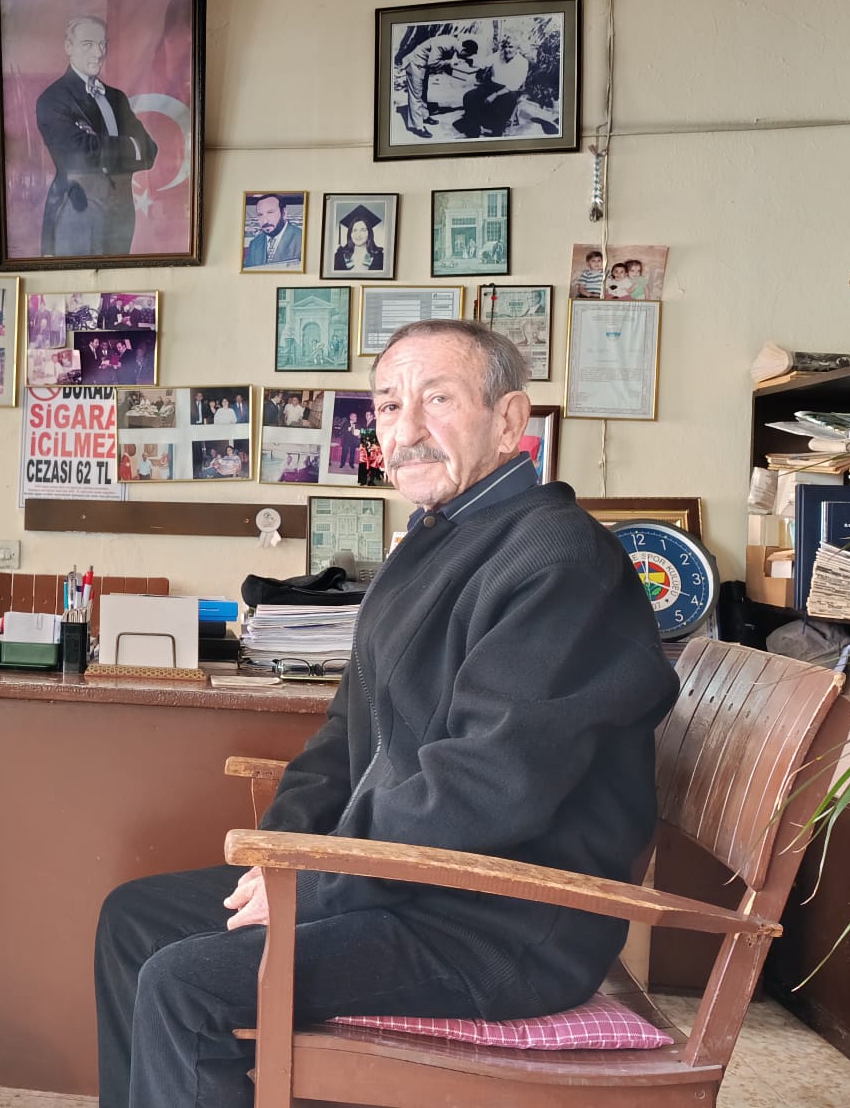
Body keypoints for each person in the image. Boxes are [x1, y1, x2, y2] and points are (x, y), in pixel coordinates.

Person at [93, 318, 678, 1108]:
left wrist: (320, 878)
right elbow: (345, 737)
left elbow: (489, 779)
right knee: (135, 919)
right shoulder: (435, 543)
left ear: (509, 420)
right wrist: (284, 855)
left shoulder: (559, 561)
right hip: (410, 883)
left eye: (438, 400)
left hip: (503, 921)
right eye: (390, 405)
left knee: (188, 984)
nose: (406, 432)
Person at [36, 14, 159, 257]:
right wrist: (130, 147)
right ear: (68, 47)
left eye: (102, 44)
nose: (98, 53)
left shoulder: (116, 97)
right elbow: (78, 156)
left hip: (120, 215)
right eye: (88, 44)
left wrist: (97, 144)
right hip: (76, 214)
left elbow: (150, 151)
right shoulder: (53, 98)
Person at [244, 194, 303, 268]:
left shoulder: (302, 239)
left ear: (284, 213)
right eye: (260, 214)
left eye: (270, 213)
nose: (265, 221)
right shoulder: (254, 244)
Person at [330, 204, 386, 274]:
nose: (358, 235)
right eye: (354, 230)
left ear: (369, 233)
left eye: (363, 230)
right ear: (350, 234)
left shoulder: (380, 257)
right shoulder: (339, 256)